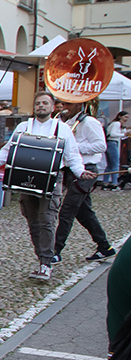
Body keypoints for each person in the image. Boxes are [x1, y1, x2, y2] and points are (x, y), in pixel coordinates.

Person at [0, 91, 94, 281]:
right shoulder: (24, 126)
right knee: (33, 222)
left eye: (45, 103)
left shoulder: (62, 129)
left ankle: (46, 263)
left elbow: (73, 155)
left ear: (52, 107)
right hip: (25, 178)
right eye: (38, 103)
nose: (41, 106)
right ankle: (41, 258)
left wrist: (80, 172)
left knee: (48, 220)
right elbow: (8, 149)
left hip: (52, 180)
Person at [53, 102, 116, 264]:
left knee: (67, 211)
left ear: (78, 105)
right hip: (71, 171)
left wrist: (75, 147)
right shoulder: (66, 123)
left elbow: (101, 145)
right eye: (62, 103)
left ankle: (55, 251)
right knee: (84, 212)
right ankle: (104, 247)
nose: (63, 106)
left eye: (68, 103)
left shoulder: (89, 122)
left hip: (86, 170)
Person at [107, 111, 126, 187]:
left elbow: (123, 136)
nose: (127, 119)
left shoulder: (116, 124)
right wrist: (124, 134)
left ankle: (105, 182)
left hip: (110, 143)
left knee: (110, 165)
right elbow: (112, 134)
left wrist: (123, 128)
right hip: (112, 143)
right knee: (115, 164)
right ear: (120, 116)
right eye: (125, 117)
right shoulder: (117, 123)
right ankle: (114, 183)